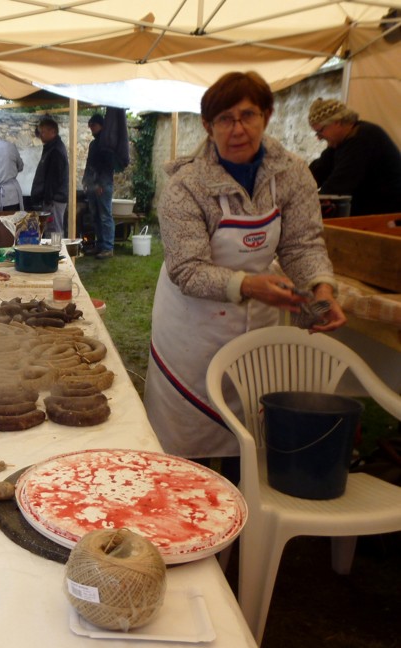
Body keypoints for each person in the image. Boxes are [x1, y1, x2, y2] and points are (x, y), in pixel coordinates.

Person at [143, 71, 346, 480]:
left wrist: (321, 290)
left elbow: (302, 245)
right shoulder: (186, 186)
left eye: (248, 115)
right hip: (192, 326)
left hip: (257, 322)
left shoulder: (291, 174)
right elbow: (187, 269)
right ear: (208, 126)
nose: (238, 129)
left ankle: (246, 508)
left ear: (266, 116)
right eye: (225, 119)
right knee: (187, 447)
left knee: (248, 437)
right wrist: (249, 286)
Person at [307, 98, 401, 216]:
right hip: (368, 212)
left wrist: (307, 206)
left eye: (320, 131)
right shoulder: (339, 142)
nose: (319, 138)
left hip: (387, 215)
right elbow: (316, 172)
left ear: (337, 122)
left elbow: (337, 185)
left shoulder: (364, 137)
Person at [82, 113, 116, 259]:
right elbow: (89, 163)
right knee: (95, 216)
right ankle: (100, 245)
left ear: (101, 125)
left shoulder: (107, 143)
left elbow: (108, 166)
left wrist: (100, 184)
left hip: (103, 184)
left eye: (93, 126)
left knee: (105, 216)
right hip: (92, 184)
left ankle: (108, 247)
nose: (91, 129)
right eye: (90, 126)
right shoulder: (93, 144)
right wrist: (86, 180)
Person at [30, 117, 68, 236]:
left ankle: (56, 248)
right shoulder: (50, 148)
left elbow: (54, 178)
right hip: (52, 200)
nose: (41, 135)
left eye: (43, 132)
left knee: (54, 231)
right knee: (50, 231)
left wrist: (48, 199)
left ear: (53, 132)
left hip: (54, 201)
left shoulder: (56, 150)